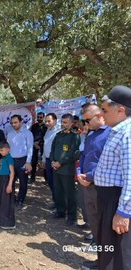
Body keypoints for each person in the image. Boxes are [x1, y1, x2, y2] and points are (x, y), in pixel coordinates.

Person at [94, 85, 131, 270]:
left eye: (105, 110)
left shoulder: (127, 134)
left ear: (121, 110)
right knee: (107, 250)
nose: (102, 114)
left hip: (117, 202)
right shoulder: (117, 130)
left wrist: (124, 213)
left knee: (119, 256)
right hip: (108, 199)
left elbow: (130, 178)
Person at [78, 103, 111, 270]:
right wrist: (79, 172)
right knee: (95, 224)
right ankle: (100, 260)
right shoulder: (90, 135)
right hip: (87, 185)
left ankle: (106, 263)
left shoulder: (110, 134)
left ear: (99, 115)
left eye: (88, 120)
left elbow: (107, 162)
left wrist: (89, 176)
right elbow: (83, 156)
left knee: (105, 226)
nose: (86, 124)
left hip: (102, 187)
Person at [50, 113, 80, 226]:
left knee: (70, 193)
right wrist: (53, 160)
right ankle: (60, 211)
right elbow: (53, 149)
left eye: (66, 122)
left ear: (72, 123)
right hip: (56, 168)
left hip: (67, 170)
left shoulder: (74, 136)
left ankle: (72, 216)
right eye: (62, 122)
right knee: (58, 192)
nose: (63, 124)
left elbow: (73, 153)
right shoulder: (58, 135)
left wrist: (60, 162)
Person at [6, 114, 33, 209]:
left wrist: (28, 162)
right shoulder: (10, 133)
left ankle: (20, 200)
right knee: (10, 180)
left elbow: (30, 148)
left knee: (23, 181)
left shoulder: (27, 133)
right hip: (11, 161)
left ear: (21, 122)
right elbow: (7, 147)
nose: (14, 124)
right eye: (12, 123)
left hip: (22, 161)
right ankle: (11, 198)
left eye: (16, 122)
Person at [0, 141, 16, 230]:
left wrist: (10, 185)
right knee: (1, 199)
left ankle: (8, 222)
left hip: (7, 180)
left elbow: (12, 172)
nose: (1, 152)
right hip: (1, 179)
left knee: (6, 201)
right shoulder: (3, 158)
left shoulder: (9, 158)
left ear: (8, 149)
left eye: (2, 150)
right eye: (0, 151)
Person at [42, 113, 60, 207]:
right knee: (50, 182)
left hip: (55, 161)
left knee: (57, 184)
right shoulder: (48, 131)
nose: (47, 123)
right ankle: (55, 201)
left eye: (49, 121)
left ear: (55, 120)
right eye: (46, 121)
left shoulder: (59, 131)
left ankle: (60, 204)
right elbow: (45, 146)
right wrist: (44, 159)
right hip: (48, 160)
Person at [29, 112, 47, 183]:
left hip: (42, 146)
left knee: (44, 162)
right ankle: (32, 177)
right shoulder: (34, 126)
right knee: (33, 162)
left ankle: (46, 179)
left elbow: (45, 137)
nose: (39, 118)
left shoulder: (46, 127)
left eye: (41, 117)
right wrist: (34, 143)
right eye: (38, 117)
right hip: (34, 146)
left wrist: (39, 143)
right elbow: (31, 136)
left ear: (43, 118)